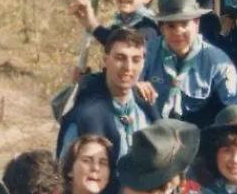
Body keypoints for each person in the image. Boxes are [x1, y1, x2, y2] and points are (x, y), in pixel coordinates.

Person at [138, 0, 237, 128]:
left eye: (185, 23)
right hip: (153, 132)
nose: (178, 32)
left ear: (197, 22)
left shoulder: (216, 60)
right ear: (161, 28)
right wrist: (134, 85)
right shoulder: (146, 52)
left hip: (198, 135)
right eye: (171, 26)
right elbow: (122, 83)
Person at [56, 29, 159, 162]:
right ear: (105, 60)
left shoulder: (146, 104)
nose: (128, 67)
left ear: (143, 64)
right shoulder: (84, 116)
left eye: (136, 60)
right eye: (120, 58)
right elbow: (64, 170)